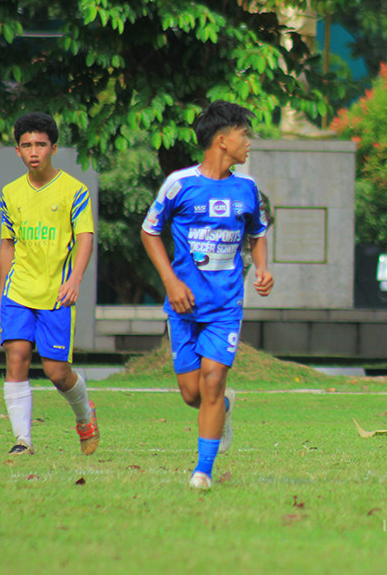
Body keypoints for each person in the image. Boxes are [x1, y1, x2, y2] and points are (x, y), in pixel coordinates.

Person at [141, 100, 273, 490]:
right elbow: (150, 231)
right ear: (222, 140)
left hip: (225, 306)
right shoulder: (179, 184)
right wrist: (171, 282)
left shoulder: (247, 188)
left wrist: (262, 269)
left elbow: (258, 233)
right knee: (191, 393)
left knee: (213, 381)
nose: (248, 142)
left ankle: (203, 471)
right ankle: (224, 408)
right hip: (183, 305)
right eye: (244, 135)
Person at [0, 112, 99, 456]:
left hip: (56, 294)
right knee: (17, 356)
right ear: (18, 151)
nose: (33, 151)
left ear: (53, 147)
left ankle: (84, 414)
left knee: (57, 373)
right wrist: (0, 298)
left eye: (40, 144)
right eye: (26, 145)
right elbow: (7, 245)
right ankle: (23, 440)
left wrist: (75, 279)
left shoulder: (74, 191)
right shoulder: (10, 193)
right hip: (18, 291)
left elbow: (85, 237)